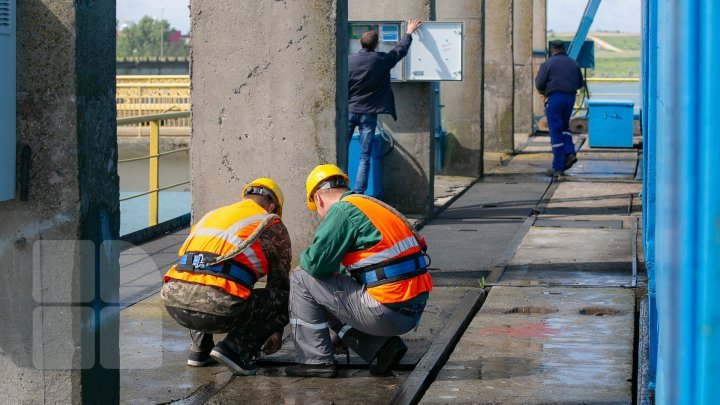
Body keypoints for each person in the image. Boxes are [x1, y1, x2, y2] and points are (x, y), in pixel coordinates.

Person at [285, 164, 432, 378]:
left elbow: (315, 264)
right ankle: (380, 348)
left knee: (301, 276)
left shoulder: (341, 211)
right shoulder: (369, 206)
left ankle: (314, 361)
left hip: (387, 312)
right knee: (327, 286)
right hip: (410, 310)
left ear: (318, 199)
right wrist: (346, 332)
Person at [161, 178, 292, 376]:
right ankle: (235, 350)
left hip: (173, 303)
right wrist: (274, 331)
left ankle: (199, 351)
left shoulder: (212, 215)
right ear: (272, 206)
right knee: (289, 301)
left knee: (202, 276)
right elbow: (279, 284)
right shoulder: (270, 223)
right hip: (216, 310)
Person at [347, 19, 422, 194]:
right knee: (365, 156)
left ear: (360, 42)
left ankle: (340, 189)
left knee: (341, 151)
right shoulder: (382, 60)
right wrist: (409, 32)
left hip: (350, 111)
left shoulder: (349, 61)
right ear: (377, 44)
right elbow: (400, 50)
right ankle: (358, 192)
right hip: (369, 114)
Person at [535, 39, 584, 177]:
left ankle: (558, 167)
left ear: (552, 50)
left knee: (556, 130)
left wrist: (546, 91)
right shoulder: (574, 63)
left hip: (555, 98)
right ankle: (569, 152)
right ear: (564, 49)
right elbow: (580, 83)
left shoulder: (548, 63)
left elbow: (539, 84)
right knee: (564, 128)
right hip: (570, 98)